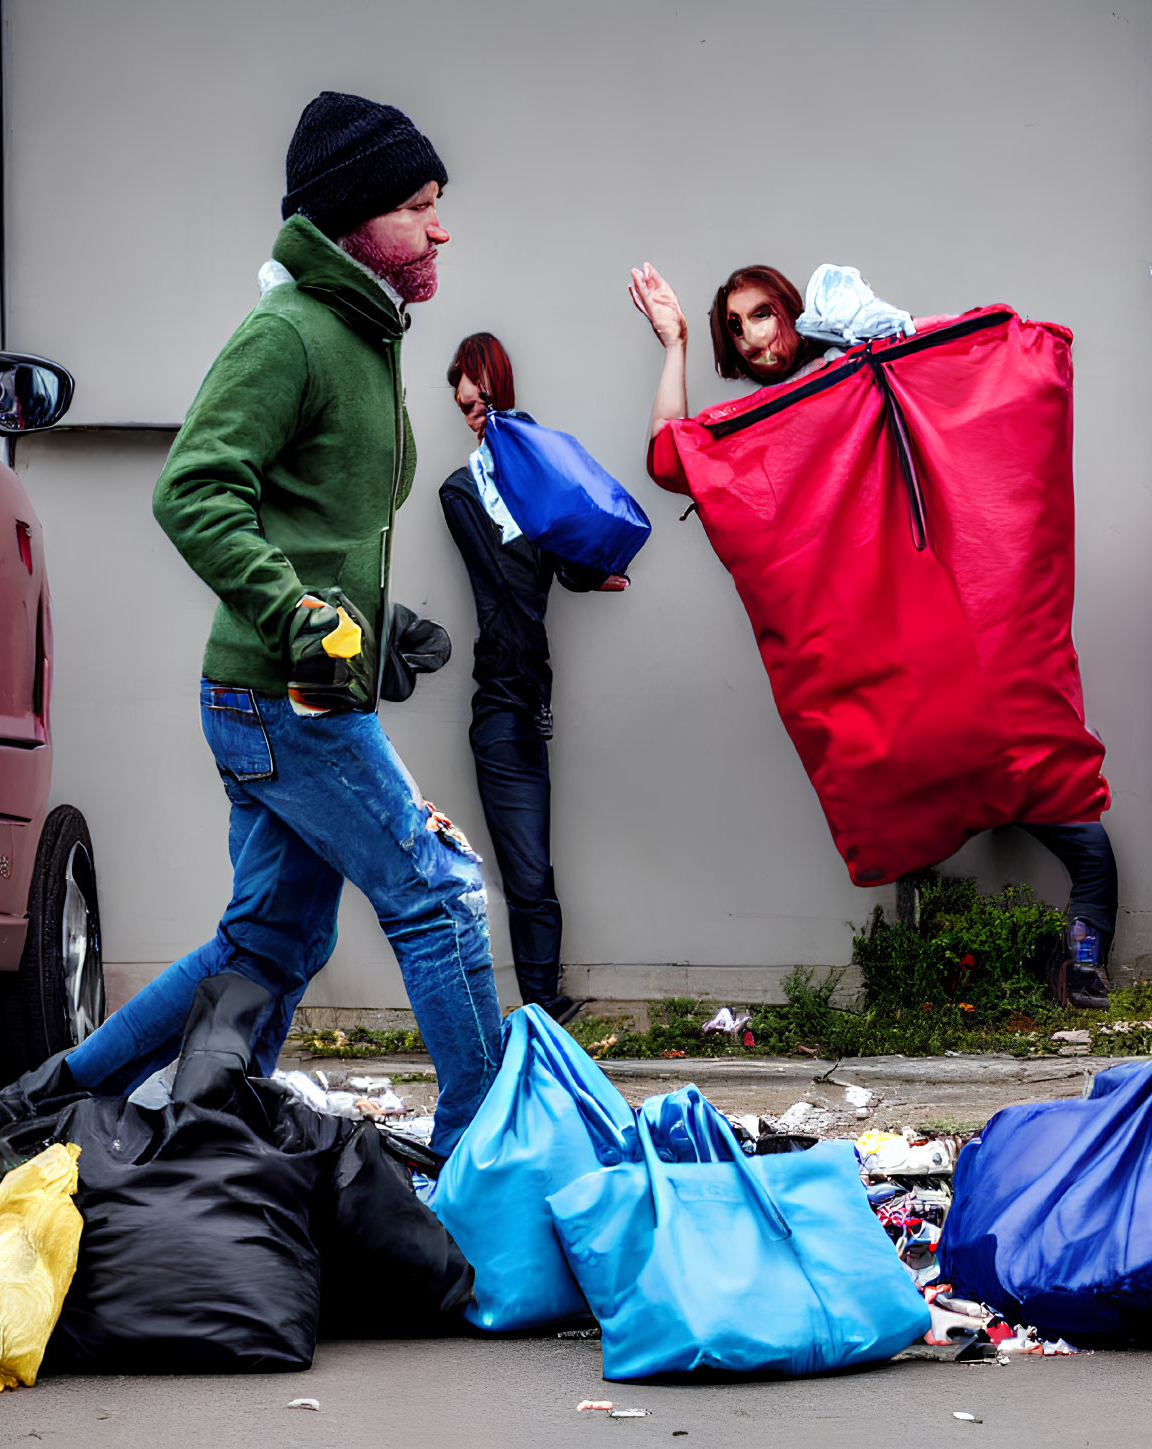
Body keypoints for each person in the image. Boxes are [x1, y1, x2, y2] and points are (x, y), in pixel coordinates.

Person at [63, 93, 503, 1154]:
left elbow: (319, 516)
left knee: (268, 943)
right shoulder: (292, 332)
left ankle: (48, 1109)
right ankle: (490, 1161)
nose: (440, 227)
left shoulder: (364, 333)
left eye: (439, 204)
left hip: (294, 692)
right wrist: (297, 611)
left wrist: (371, 623)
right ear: (354, 218)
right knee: (437, 896)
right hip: (280, 697)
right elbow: (196, 489)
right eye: (416, 205)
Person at [629, 261, 1117, 1008]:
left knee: (1077, 828)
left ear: (793, 311)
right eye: (735, 327)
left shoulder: (875, 369)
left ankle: (1079, 960)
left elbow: (976, 379)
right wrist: (674, 344)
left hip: (961, 644)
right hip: (883, 674)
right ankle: (926, 982)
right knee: (901, 816)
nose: (753, 336)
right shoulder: (757, 439)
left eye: (761, 313)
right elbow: (669, 458)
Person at [439, 332, 627, 1024]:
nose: (474, 415)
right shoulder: (460, 494)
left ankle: (544, 1011)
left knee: (535, 874)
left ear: (501, 394)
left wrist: (586, 568)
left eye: (483, 402)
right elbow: (507, 583)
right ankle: (542, 1009)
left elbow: (554, 556)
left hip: (532, 699)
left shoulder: (537, 484)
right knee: (525, 874)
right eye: (464, 407)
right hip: (499, 700)